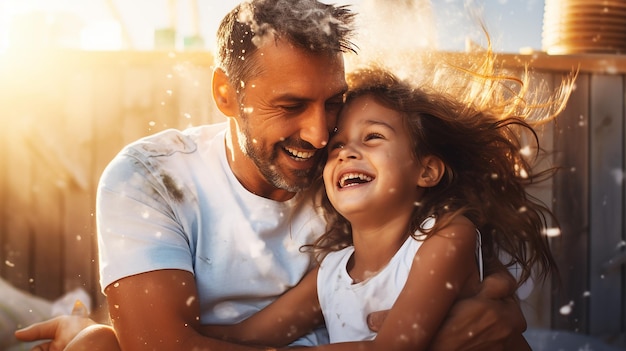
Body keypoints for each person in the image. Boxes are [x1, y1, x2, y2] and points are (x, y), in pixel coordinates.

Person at [15, 1, 527, 350]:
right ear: (225, 94)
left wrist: (494, 310)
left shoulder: (359, 189)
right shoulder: (151, 177)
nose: (322, 135)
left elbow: (487, 297)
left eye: (333, 103)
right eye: (291, 105)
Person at [197, 66, 565, 350]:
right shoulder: (331, 273)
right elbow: (245, 335)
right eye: (336, 145)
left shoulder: (447, 237)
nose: (346, 152)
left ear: (426, 170)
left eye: (373, 137)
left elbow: (394, 347)